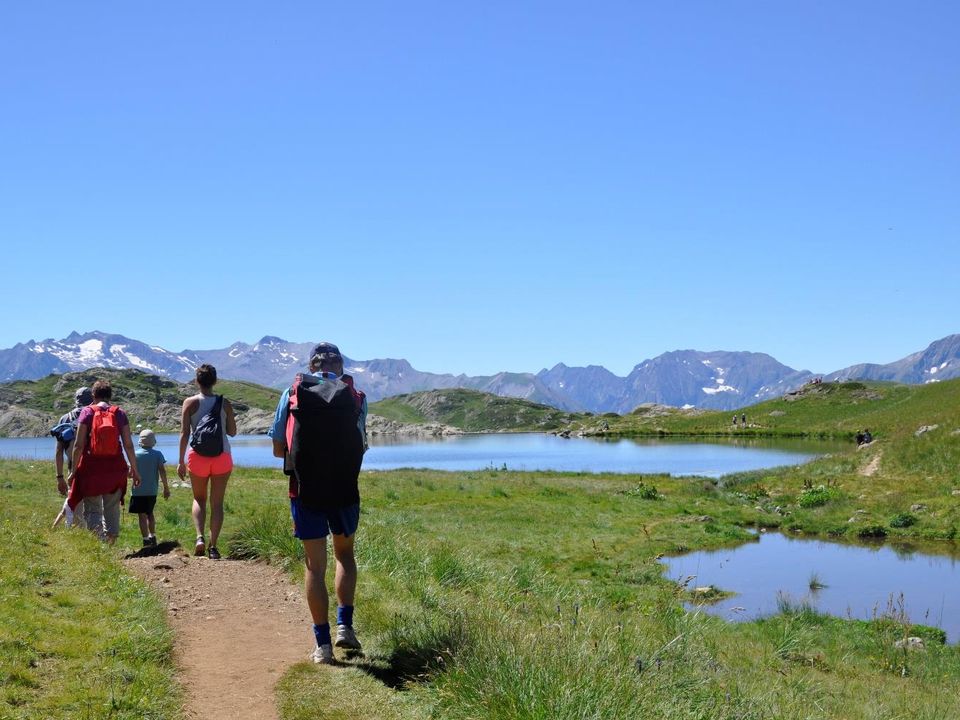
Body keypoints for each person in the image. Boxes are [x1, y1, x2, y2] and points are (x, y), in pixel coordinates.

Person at [268, 342, 367, 665]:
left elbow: (278, 448)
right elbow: (361, 445)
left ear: (312, 366)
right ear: (340, 366)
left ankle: (322, 646)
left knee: (314, 565)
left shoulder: (292, 393)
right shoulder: (354, 396)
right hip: (344, 488)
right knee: (345, 555)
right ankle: (345, 627)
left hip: (304, 489)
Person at [67, 380, 141, 543]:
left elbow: (79, 445)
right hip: (115, 469)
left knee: (93, 509)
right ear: (110, 396)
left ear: (93, 395)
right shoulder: (119, 413)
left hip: (90, 469)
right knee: (112, 507)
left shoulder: (87, 412)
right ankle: (110, 544)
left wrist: (73, 471)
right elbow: (128, 445)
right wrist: (135, 470)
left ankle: (99, 546)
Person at [177, 364, 236, 560]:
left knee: (199, 499)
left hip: (197, 456)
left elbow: (185, 434)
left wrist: (180, 461)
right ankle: (214, 546)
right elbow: (232, 432)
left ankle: (199, 537)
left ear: (197, 381)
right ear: (215, 381)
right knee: (217, 503)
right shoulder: (224, 402)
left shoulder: (190, 403)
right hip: (222, 456)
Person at [51, 386, 94, 528]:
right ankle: (98, 540)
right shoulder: (96, 415)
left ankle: (79, 540)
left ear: (76, 399)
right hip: (96, 470)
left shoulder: (65, 418)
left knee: (75, 509)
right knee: (96, 510)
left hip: (73, 471)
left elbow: (58, 451)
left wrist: (59, 477)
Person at [131, 428, 170, 547]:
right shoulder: (158, 454)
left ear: (140, 441)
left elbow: (129, 473)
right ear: (153, 441)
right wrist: (166, 488)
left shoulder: (135, 455)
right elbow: (162, 471)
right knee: (150, 513)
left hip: (138, 491)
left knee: (141, 515)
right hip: (152, 490)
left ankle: (145, 540)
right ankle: (153, 536)